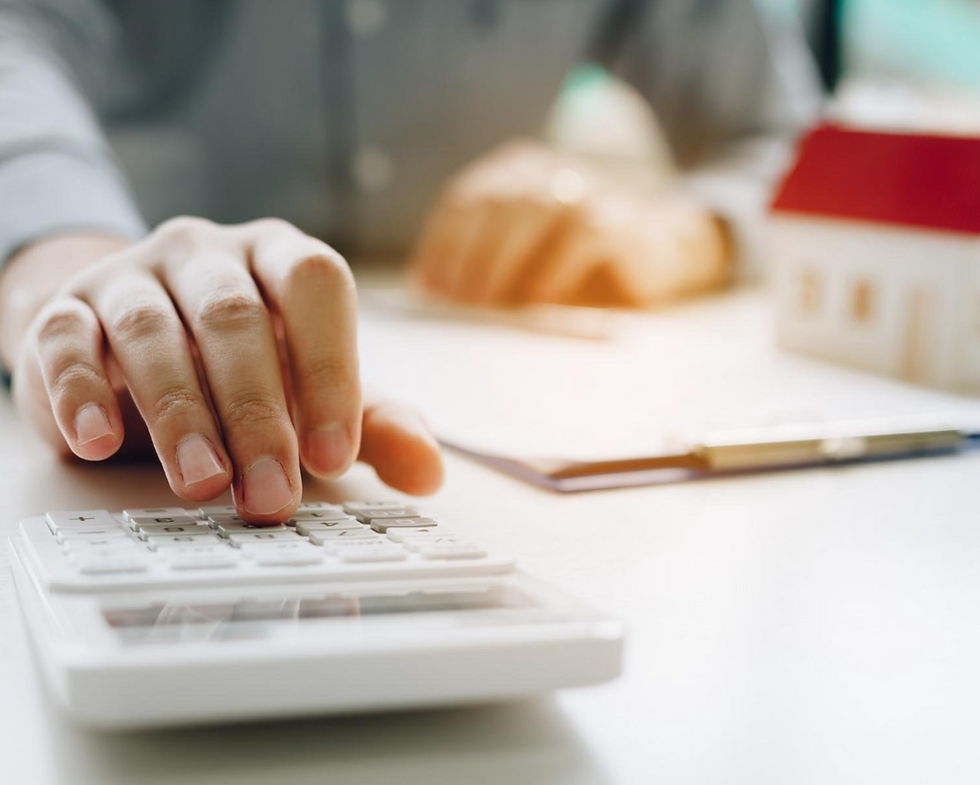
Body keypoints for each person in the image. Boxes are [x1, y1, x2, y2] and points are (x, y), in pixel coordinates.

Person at [0, 0, 820, 522]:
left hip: (500, 361)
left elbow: (795, 141)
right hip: (136, 391)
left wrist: (678, 226)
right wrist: (70, 271)